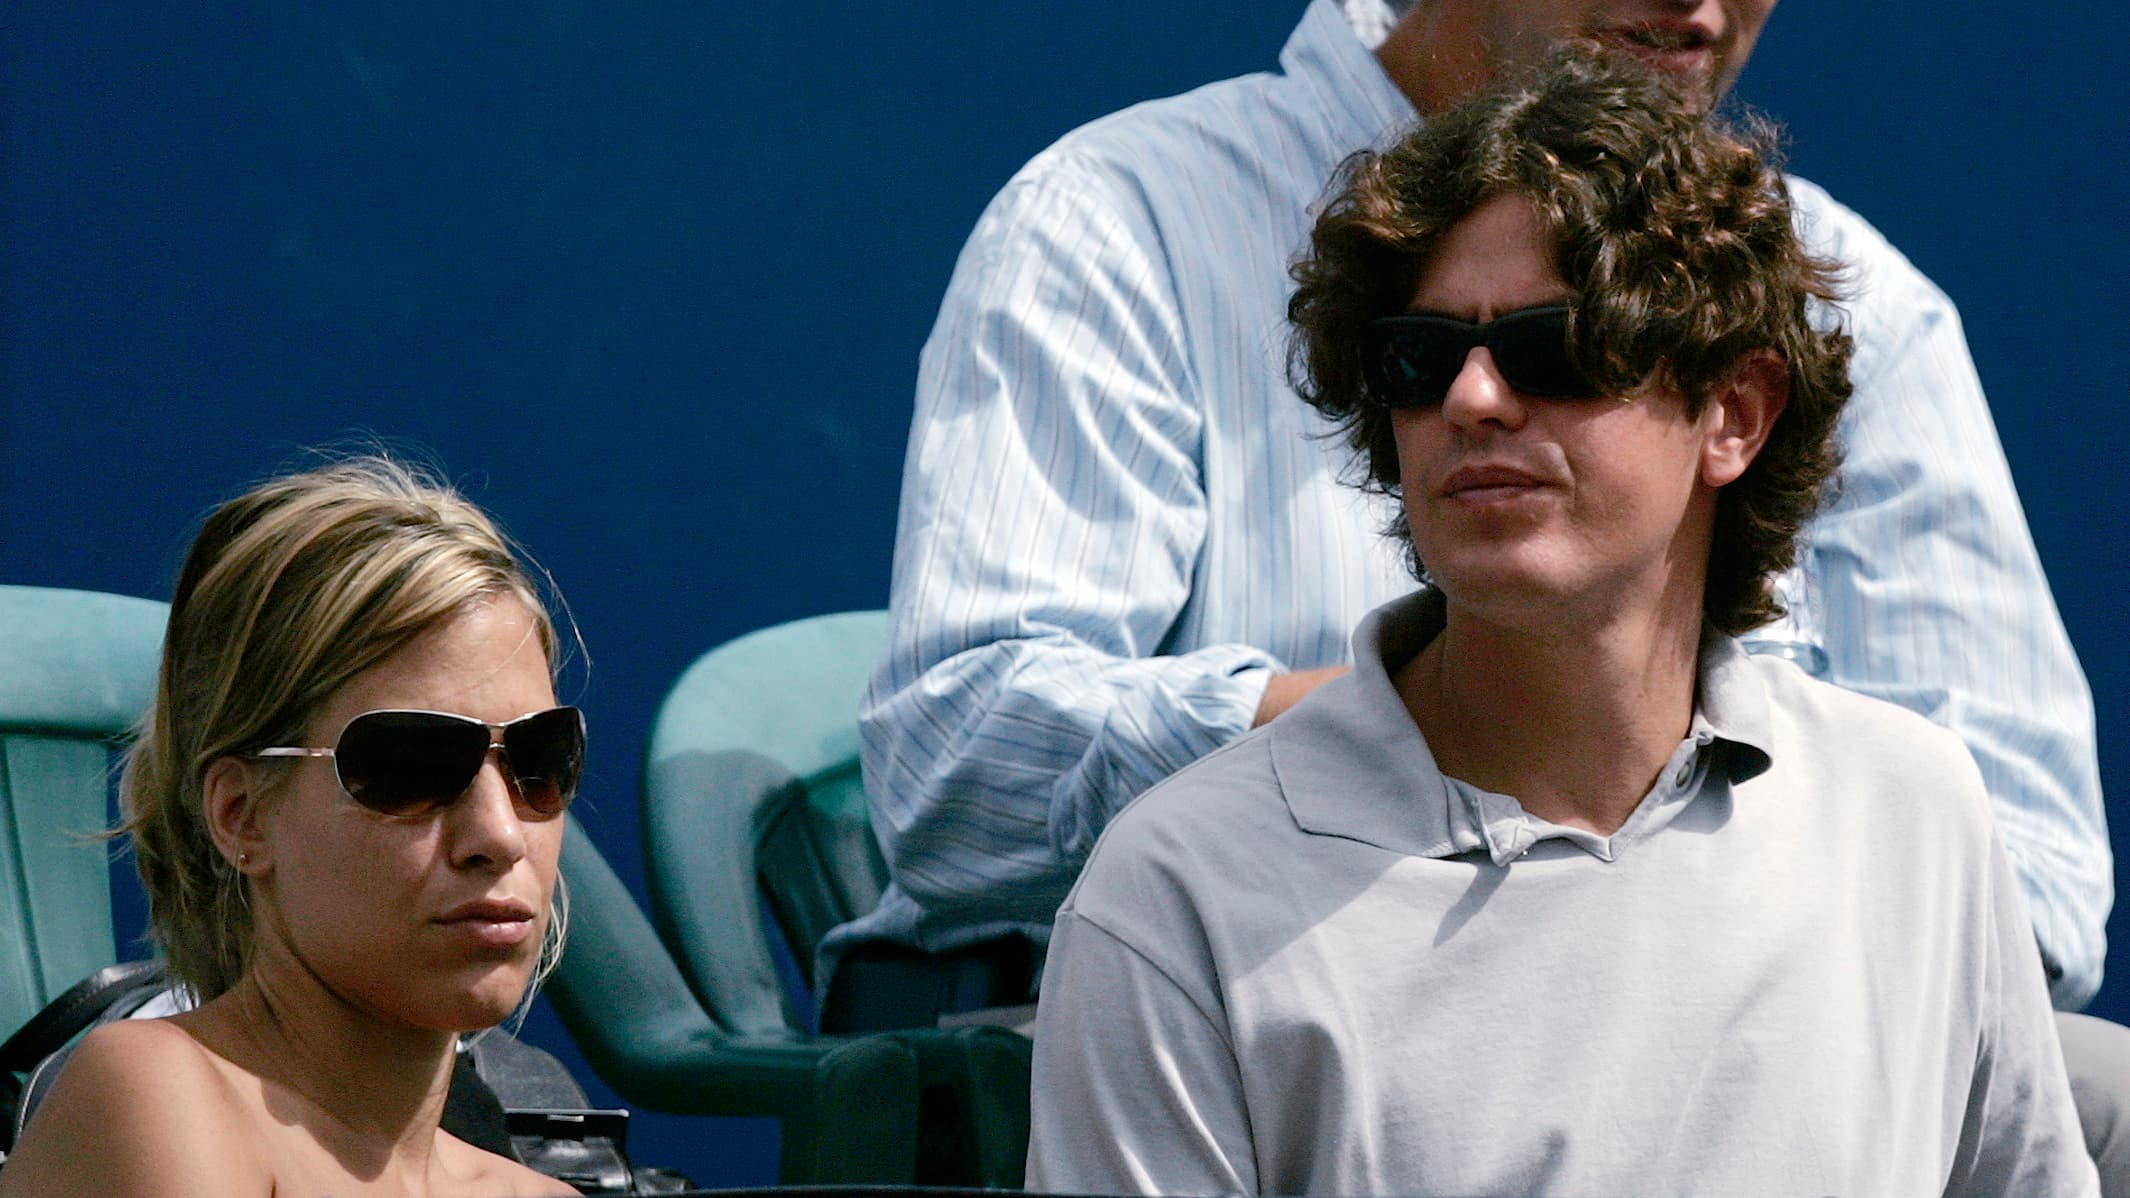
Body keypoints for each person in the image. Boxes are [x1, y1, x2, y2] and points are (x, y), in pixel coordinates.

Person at [837, 0, 2107, 1035]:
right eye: (1415, 361)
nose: (1700, 7)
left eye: (1573, 352)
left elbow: (2036, 895)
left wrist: (1668, 834)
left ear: (1743, 413)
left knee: (2095, 1099)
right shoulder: (1123, 215)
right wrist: (1432, 732)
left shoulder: (1851, 297)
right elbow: (954, 774)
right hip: (1212, 1026)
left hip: (1735, 1024)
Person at [0, 457, 581, 1197]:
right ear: (241, 816)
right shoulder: (156, 1092)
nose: (499, 835)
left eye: (538, 760)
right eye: (410, 764)